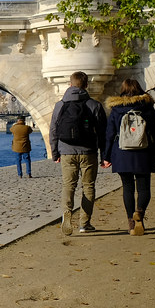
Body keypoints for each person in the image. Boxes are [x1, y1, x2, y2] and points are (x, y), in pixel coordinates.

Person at [101, 79, 155, 235]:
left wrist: (106, 156)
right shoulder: (147, 107)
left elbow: (109, 135)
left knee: (128, 188)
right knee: (144, 188)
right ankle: (140, 213)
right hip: (144, 153)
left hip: (121, 153)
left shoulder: (116, 109)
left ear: (122, 90)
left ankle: (131, 222)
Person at [49, 71, 107, 235]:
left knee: (69, 185)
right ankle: (84, 223)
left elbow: (53, 130)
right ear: (86, 85)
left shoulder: (60, 105)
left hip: (67, 151)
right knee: (88, 187)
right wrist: (104, 156)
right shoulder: (94, 105)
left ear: (70, 84)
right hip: (88, 152)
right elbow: (103, 133)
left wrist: (55, 153)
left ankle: (66, 213)